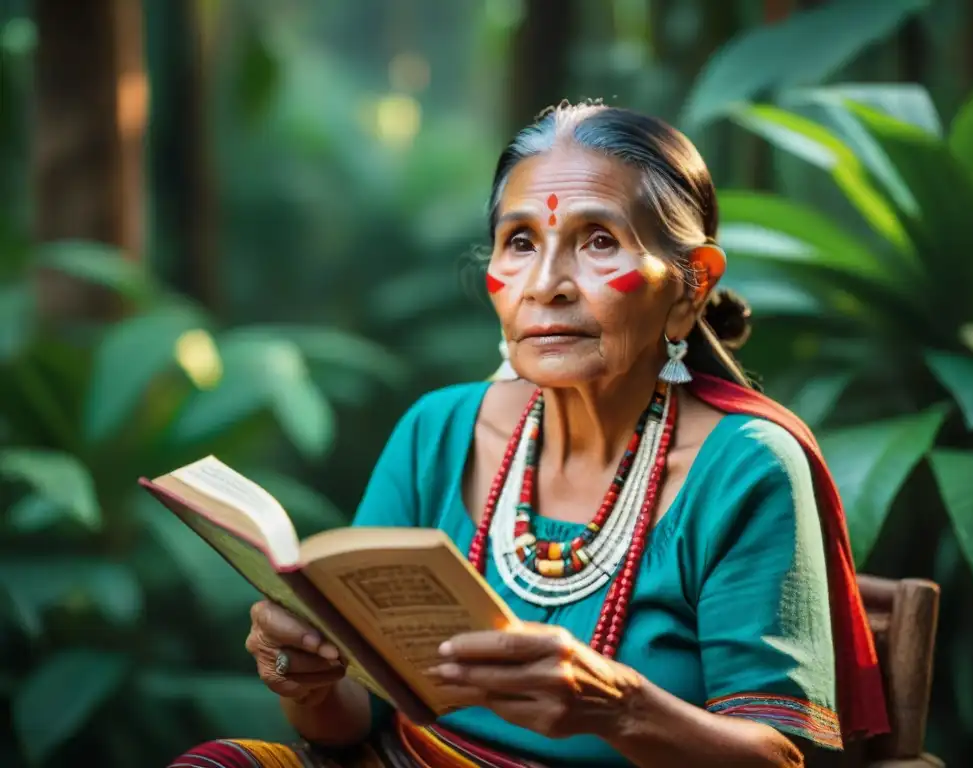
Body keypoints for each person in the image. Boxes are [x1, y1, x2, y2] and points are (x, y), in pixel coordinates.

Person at [171, 101, 889, 768]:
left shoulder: (745, 468)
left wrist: (616, 708)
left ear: (692, 284)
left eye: (597, 240)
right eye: (520, 241)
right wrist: (307, 678)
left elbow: (783, 761)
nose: (547, 283)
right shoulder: (437, 432)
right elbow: (348, 725)